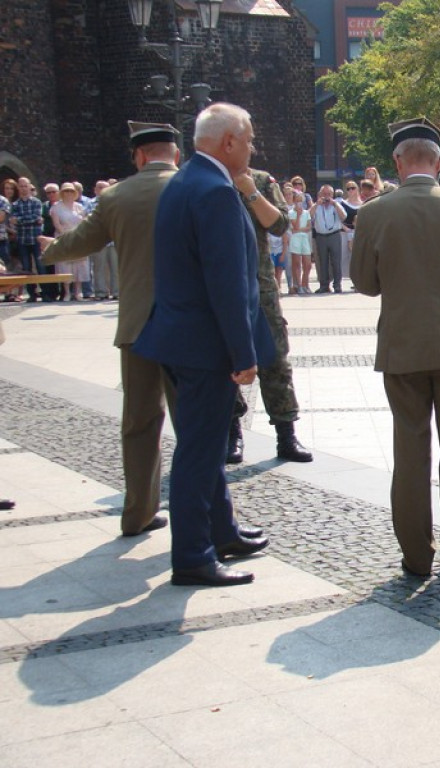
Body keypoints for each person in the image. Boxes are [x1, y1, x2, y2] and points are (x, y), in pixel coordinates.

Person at [39, 122, 235, 538]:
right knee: (197, 429)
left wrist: (51, 250)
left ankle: (138, 513)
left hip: (137, 327)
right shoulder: (195, 188)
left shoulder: (115, 196)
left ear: (140, 157)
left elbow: (81, 242)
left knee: (140, 424)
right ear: (176, 154)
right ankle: (210, 521)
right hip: (189, 329)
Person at [133, 104, 275, 587]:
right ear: (229, 141)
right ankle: (193, 555)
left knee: (207, 443)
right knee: (199, 451)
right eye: (250, 139)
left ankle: (222, 531)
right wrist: (244, 354)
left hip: (180, 338)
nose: (253, 148)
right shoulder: (214, 191)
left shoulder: (187, 180)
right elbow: (227, 283)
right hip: (205, 345)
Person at [351, 117, 440, 578]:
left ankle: (416, 557)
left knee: (410, 455)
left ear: (396, 161)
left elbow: (364, 284)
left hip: (402, 346)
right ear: (439, 162)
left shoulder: (374, 212)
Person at [227, 168, 313, 464]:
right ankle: (231, 432)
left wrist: (250, 190)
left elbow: (279, 224)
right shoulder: (205, 178)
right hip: (219, 287)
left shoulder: (261, 181)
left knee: (275, 359)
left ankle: (286, 434)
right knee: (224, 362)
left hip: (260, 285)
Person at [50, 183, 89, 300]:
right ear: (62, 193)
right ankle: (67, 292)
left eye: (71, 191)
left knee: (79, 264)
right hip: (64, 237)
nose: (69, 193)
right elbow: (56, 224)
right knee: (65, 265)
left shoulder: (79, 207)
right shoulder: (56, 207)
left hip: (78, 237)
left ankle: (78, 291)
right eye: (66, 191)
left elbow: (84, 222)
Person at [310, 184, 346, 294]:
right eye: (324, 194)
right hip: (321, 236)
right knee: (323, 262)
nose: (326, 197)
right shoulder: (316, 206)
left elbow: (344, 216)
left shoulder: (336, 205)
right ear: (320, 194)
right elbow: (309, 216)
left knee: (336, 261)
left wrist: (334, 204)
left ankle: (337, 285)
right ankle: (324, 285)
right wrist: (316, 205)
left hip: (334, 235)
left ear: (332, 195)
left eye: (329, 194)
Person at [288, 192, 313, 294]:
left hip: (304, 238)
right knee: (297, 263)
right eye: (297, 201)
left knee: (307, 264)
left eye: (300, 201)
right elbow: (295, 227)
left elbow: (308, 227)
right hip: (295, 239)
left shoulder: (306, 213)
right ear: (294, 202)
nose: (299, 203)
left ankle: (305, 283)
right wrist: (298, 215)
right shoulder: (291, 213)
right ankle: (298, 285)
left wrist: (300, 229)